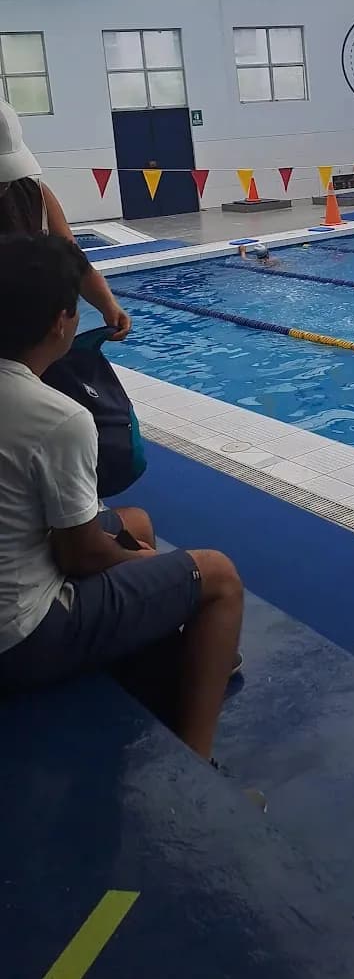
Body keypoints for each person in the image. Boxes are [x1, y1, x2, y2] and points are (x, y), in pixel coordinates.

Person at [0, 233, 244, 762]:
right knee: (218, 576)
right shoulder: (56, 417)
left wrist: (132, 545)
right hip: (18, 639)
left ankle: (142, 668)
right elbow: (81, 555)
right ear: (62, 323)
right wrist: (147, 560)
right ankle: (200, 763)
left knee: (134, 520)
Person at [0, 100, 131, 340]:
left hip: (33, 336)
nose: (4, 182)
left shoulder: (34, 193)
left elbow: (72, 258)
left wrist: (107, 304)